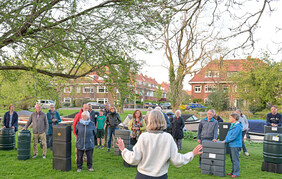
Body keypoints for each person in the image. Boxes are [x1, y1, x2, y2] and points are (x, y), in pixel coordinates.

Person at [116, 110, 203, 179]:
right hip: (160, 176)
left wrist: (123, 150)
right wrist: (192, 154)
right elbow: (177, 160)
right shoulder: (167, 138)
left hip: (143, 176)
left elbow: (134, 159)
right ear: (163, 120)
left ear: (149, 121)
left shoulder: (144, 137)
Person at [222, 113, 242, 178]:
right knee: (232, 159)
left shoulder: (238, 126)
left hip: (235, 145)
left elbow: (233, 136)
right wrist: (225, 140)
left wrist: (226, 141)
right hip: (231, 144)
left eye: (230, 117)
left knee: (235, 160)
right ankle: (233, 172)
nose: (229, 119)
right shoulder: (232, 125)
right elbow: (229, 134)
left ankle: (236, 173)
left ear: (234, 118)